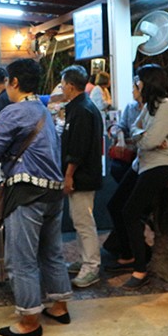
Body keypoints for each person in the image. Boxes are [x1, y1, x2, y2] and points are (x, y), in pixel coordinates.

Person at [0, 58, 71, 336]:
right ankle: (60, 306)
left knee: (22, 259)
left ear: (15, 82)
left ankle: (29, 321)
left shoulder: (13, 111)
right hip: (54, 191)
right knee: (51, 252)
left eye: (7, 81)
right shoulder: (43, 110)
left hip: (27, 191)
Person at [105, 64, 168, 289]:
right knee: (114, 205)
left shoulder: (167, 106)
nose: (134, 86)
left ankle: (140, 270)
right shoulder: (150, 106)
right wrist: (146, 137)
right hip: (143, 162)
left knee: (130, 211)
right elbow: (135, 130)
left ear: (147, 83)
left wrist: (147, 138)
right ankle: (128, 254)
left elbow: (147, 140)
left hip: (163, 163)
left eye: (137, 82)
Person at [59, 64, 103, 288]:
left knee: (84, 222)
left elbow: (78, 149)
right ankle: (83, 259)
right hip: (80, 175)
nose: (61, 88)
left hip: (83, 176)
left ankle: (91, 267)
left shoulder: (83, 110)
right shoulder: (78, 107)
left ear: (70, 85)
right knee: (79, 220)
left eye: (62, 84)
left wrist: (69, 176)